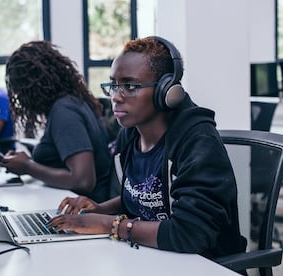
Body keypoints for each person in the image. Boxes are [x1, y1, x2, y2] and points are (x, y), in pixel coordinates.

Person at [47, 36, 247, 260]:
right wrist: (98, 209)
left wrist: (110, 224)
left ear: (167, 91)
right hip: (153, 258)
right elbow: (147, 198)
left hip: (203, 264)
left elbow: (191, 233)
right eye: (113, 85)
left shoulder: (197, 140)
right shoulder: (130, 135)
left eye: (130, 86)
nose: (116, 97)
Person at [0, 40, 112, 203]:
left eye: (18, 91)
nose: (19, 98)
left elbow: (83, 181)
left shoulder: (64, 111)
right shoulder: (72, 101)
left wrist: (27, 167)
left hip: (86, 212)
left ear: (30, 88)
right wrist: (24, 161)